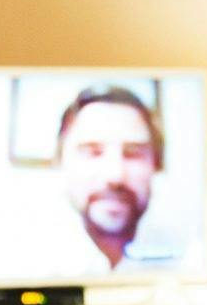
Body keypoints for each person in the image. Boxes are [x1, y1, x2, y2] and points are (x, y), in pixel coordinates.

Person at [55, 85, 162, 270]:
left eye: (133, 153)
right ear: (60, 161)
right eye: (93, 152)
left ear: (156, 163)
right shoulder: (20, 261)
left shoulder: (189, 259)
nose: (114, 175)